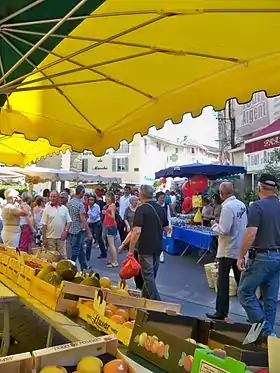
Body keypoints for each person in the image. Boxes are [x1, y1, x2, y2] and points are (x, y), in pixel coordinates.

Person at [237, 174, 280, 337]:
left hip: (261, 256)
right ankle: (268, 341)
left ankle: (267, 333)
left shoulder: (257, 206)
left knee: (245, 293)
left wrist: (241, 255)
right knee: (270, 298)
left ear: (259, 188)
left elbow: (251, 234)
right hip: (277, 256)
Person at [206, 182, 247, 320]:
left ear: (222, 193)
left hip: (227, 249)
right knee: (242, 282)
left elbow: (224, 230)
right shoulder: (241, 205)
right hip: (239, 248)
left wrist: (214, 225)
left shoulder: (227, 207)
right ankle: (253, 312)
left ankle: (221, 312)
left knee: (222, 283)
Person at [129, 185, 169, 300]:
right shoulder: (160, 208)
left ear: (141, 194)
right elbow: (166, 228)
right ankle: (145, 298)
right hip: (158, 245)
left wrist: (131, 250)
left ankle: (157, 302)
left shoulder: (141, 209)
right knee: (151, 276)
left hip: (145, 246)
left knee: (147, 276)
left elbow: (136, 231)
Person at [67, 185, 92, 270]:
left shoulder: (70, 202)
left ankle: (84, 266)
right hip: (78, 230)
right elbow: (83, 219)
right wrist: (88, 232)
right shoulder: (80, 204)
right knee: (75, 251)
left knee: (80, 249)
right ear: (81, 192)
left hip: (71, 229)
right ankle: (69, 268)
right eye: (83, 193)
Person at [42, 191, 72, 258]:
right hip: (50, 238)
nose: (52, 198)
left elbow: (69, 221)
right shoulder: (46, 209)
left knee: (63, 257)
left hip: (61, 238)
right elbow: (44, 225)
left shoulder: (64, 208)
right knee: (52, 258)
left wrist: (66, 231)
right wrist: (44, 238)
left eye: (54, 197)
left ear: (58, 197)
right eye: (51, 196)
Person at [87, 195, 107, 261]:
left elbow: (94, 216)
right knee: (89, 239)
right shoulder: (88, 206)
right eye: (89, 200)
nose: (90, 201)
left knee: (99, 238)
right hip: (90, 224)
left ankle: (103, 253)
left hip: (97, 224)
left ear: (94, 200)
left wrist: (89, 211)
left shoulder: (96, 206)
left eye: (92, 200)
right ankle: (87, 255)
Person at [103, 192, 118, 268]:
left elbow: (113, 217)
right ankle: (112, 260)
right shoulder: (108, 205)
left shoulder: (112, 205)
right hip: (109, 226)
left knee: (111, 245)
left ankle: (115, 262)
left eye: (108, 197)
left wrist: (106, 213)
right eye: (106, 197)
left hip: (111, 226)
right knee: (111, 245)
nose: (106, 199)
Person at [156, 191, 172, 263]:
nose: (163, 199)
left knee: (160, 240)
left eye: (163, 198)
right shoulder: (155, 205)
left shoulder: (166, 206)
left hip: (163, 225)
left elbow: (168, 216)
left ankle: (161, 255)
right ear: (158, 198)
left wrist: (169, 226)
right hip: (155, 225)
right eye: (161, 198)